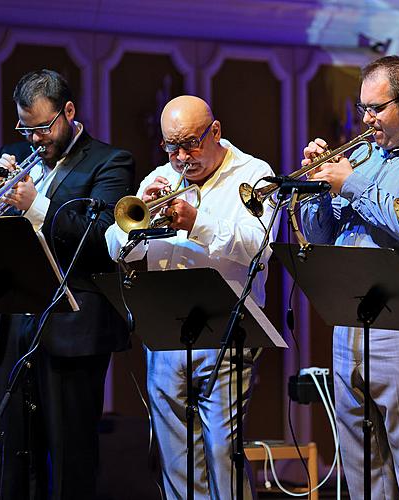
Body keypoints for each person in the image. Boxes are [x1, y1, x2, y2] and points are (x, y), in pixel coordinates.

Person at [300, 55, 399, 499]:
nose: (366, 120)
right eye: (362, 109)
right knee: (362, 467)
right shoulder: (364, 156)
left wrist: (350, 184)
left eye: (375, 108)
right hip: (350, 320)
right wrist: (317, 189)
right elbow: (320, 235)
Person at [104, 95, 278, 499]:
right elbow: (118, 249)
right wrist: (139, 218)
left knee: (221, 453)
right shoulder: (160, 176)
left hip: (228, 332)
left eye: (191, 144)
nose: (182, 157)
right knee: (175, 457)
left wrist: (197, 221)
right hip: (166, 333)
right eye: (171, 146)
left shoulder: (254, 173)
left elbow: (259, 246)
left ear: (215, 132)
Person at [0, 69, 135, 499]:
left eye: (43, 128)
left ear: (68, 112)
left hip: (73, 328)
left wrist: (36, 206)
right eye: (25, 129)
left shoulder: (110, 162)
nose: (33, 140)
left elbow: (101, 238)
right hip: (11, 325)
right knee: (12, 456)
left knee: (71, 457)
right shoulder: (11, 155)